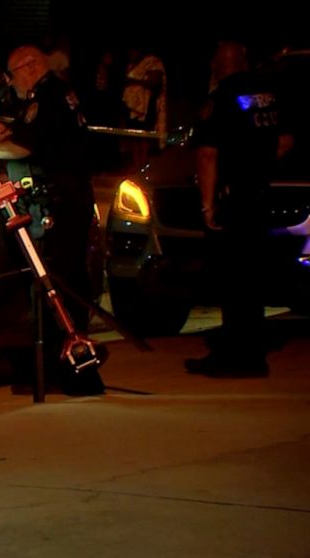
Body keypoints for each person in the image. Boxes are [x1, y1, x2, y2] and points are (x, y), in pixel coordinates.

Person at [0, 44, 105, 396]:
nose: (11, 80)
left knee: (58, 284)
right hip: (70, 198)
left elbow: (27, 149)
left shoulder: (47, 98)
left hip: (61, 203)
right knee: (66, 281)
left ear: (30, 67)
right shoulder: (57, 95)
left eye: (13, 72)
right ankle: (63, 366)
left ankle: (72, 367)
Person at [184, 41, 294, 377]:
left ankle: (235, 357)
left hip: (235, 198)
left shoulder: (221, 99)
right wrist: (258, 167)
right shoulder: (268, 93)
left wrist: (207, 205)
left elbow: (207, 154)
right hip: (260, 194)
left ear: (218, 65)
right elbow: (286, 140)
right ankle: (251, 352)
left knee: (233, 280)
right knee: (253, 280)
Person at [121, 44, 167, 170]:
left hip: (146, 108)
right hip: (132, 109)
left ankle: (144, 166)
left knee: (144, 139)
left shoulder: (152, 62)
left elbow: (154, 82)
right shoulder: (131, 64)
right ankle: (137, 167)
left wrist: (134, 82)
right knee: (134, 139)